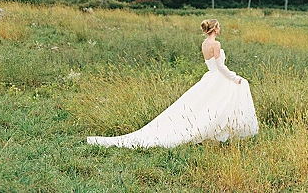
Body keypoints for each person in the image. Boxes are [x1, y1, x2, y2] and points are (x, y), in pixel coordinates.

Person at [87, 19, 258, 148]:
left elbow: (212, 65)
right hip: (218, 76)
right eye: (219, 27)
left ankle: (217, 133)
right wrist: (234, 77)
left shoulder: (204, 43)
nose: (220, 29)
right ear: (214, 29)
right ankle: (218, 132)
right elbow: (220, 66)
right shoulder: (215, 43)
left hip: (211, 76)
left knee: (210, 105)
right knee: (232, 94)